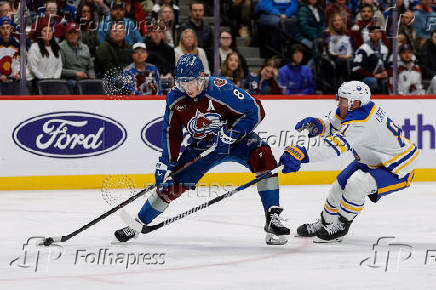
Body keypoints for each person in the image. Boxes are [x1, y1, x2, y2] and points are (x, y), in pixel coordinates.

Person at [114, 54, 290, 245]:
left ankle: (273, 217)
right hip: (202, 146)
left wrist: (233, 132)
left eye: (191, 82)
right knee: (171, 182)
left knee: (262, 155)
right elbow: (172, 133)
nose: (187, 88)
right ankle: (138, 223)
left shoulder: (221, 89)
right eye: (182, 83)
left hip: (236, 140)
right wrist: (166, 163)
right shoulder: (175, 98)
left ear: (202, 76)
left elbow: (256, 110)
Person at [279, 81, 420, 242]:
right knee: (338, 186)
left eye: (343, 100)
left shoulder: (362, 122)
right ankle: (326, 222)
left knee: (357, 184)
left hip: (398, 167)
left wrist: (302, 153)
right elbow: (336, 124)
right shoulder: (357, 109)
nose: (339, 103)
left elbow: (333, 147)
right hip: (372, 159)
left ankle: (341, 225)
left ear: (356, 102)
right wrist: (320, 124)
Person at [59, 22, 95, 93]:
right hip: (70, 79)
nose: (73, 35)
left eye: (75, 32)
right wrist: (76, 73)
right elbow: (60, 70)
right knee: (74, 84)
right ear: (66, 34)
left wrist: (92, 76)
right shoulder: (60, 47)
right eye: (70, 33)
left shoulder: (85, 47)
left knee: (97, 83)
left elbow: (91, 67)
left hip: (85, 78)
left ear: (78, 34)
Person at [352, 25, 388, 93]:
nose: (375, 34)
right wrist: (373, 75)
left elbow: (388, 65)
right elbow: (356, 68)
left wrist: (386, 72)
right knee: (372, 80)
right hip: (366, 78)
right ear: (369, 35)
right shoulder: (363, 49)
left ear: (381, 34)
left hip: (381, 77)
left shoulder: (384, 48)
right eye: (372, 32)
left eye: (377, 32)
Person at [178, 0, 213, 67]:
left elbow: (210, 50)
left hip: (203, 60)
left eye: (200, 10)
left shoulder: (208, 29)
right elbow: (179, 46)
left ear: (203, 11)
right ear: (190, 12)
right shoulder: (183, 27)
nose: (198, 13)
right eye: (195, 10)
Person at [0, 16, 19, 82]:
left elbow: (20, 62)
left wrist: (18, 73)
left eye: (7, 27)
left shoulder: (16, 44)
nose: (5, 31)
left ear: (11, 29)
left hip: (14, 79)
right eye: (2, 28)